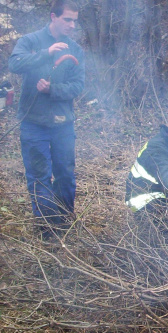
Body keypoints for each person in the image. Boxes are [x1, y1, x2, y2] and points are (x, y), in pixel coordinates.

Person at [8, 0, 85, 237]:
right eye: (67, 20)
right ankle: (46, 230)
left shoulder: (75, 49)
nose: (72, 25)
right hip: (33, 124)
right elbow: (14, 64)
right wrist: (45, 54)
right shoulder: (30, 41)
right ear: (53, 16)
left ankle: (63, 223)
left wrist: (53, 89)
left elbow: (78, 86)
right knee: (40, 176)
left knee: (65, 174)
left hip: (63, 124)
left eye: (75, 20)